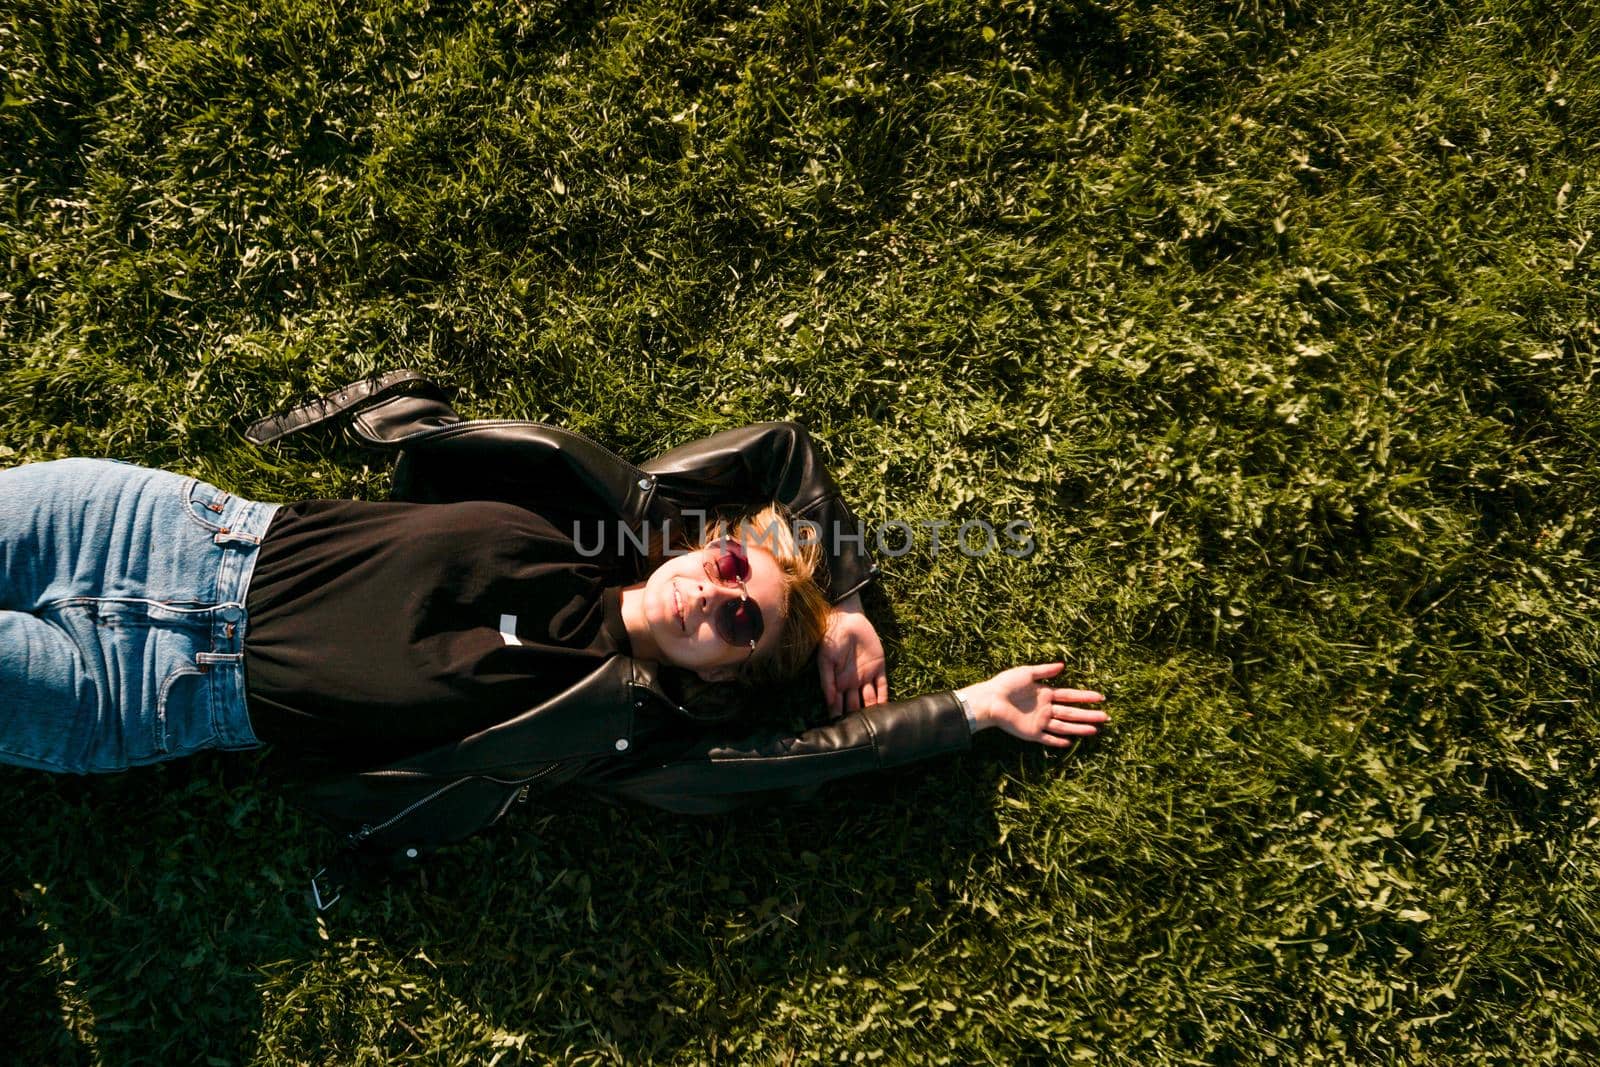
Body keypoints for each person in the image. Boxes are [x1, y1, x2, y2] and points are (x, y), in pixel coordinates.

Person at [0, 372, 1107, 873]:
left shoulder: (621, 726)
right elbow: (782, 448)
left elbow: (780, 762)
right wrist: (845, 599)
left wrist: (962, 711)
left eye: (736, 623)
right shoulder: (611, 517)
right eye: (732, 568)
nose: (714, 594)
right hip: (148, 530)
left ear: (720, 677)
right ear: (707, 537)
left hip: (131, 695)